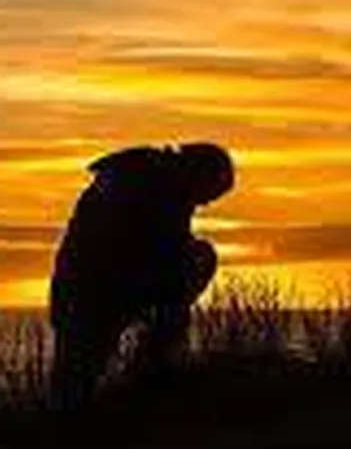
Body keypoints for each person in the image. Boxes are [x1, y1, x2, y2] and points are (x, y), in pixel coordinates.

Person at [48, 142, 234, 410]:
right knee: (75, 380)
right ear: (199, 174)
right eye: (208, 195)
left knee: (76, 379)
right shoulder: (152, 185)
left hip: (101, 288)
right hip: (95, 292)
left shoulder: (159, 181)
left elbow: (166, 249)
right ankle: (143, 374)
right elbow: (124, 246)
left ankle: (146, 372)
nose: (203, 203)